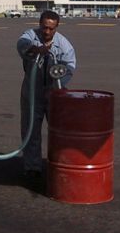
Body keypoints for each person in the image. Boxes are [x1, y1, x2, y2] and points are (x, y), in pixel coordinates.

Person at [16, 10, 76, 183]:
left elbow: (70, 67)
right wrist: (36, 49)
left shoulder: (64, 45)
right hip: (31, 90)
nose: (47, 32)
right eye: (44, 27)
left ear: (57, 27)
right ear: (39, 24)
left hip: (54, 92)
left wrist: (57, 82)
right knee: (30, 130)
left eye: (51, 29)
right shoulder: (30, 35)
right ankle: (32, 168)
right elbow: (21, 44)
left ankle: (59, 164)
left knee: (59, 131)